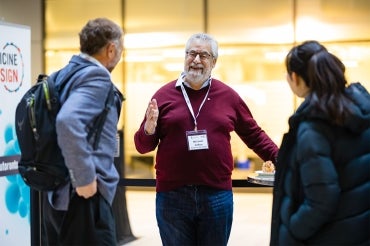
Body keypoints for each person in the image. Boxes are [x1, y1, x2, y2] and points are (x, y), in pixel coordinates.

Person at [134, 33, 279, 246]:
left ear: (214, 61)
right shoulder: (163, 96)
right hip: (172, 196)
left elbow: (254, 134)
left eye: (204, 55)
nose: (196, 60)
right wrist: (148, 129)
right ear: (184, 57)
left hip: (216, 195)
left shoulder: (228, 96)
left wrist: (283, 159)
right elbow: (142, 146)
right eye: (191, 53)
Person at [270, 40, 370, 245]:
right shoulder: (359, 111)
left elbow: (321, 200)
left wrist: (292, 229)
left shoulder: (314, 127)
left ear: (295, 78)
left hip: (326, 236)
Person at [41, 18, 124, 245]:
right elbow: (68, 122)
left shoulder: (62, 74)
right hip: (84, 198)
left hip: (58, 193)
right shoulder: (95, 76)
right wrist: (85, 178)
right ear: (111, 49)